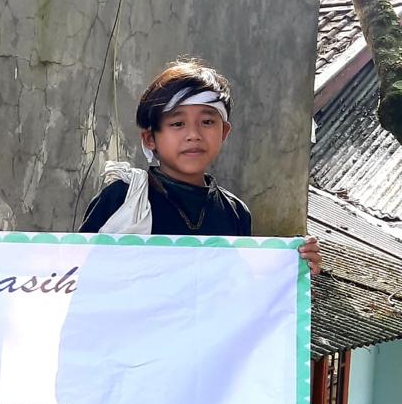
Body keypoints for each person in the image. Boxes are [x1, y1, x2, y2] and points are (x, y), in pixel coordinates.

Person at [79, 57, 321, 273]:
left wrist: (293, 268)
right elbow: (75, 274)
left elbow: (239, 288)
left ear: (224, 132)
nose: (193, 135)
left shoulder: (235, 213)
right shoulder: (123, 199)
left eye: (207, 122)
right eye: (177, 124)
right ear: (150, 138)